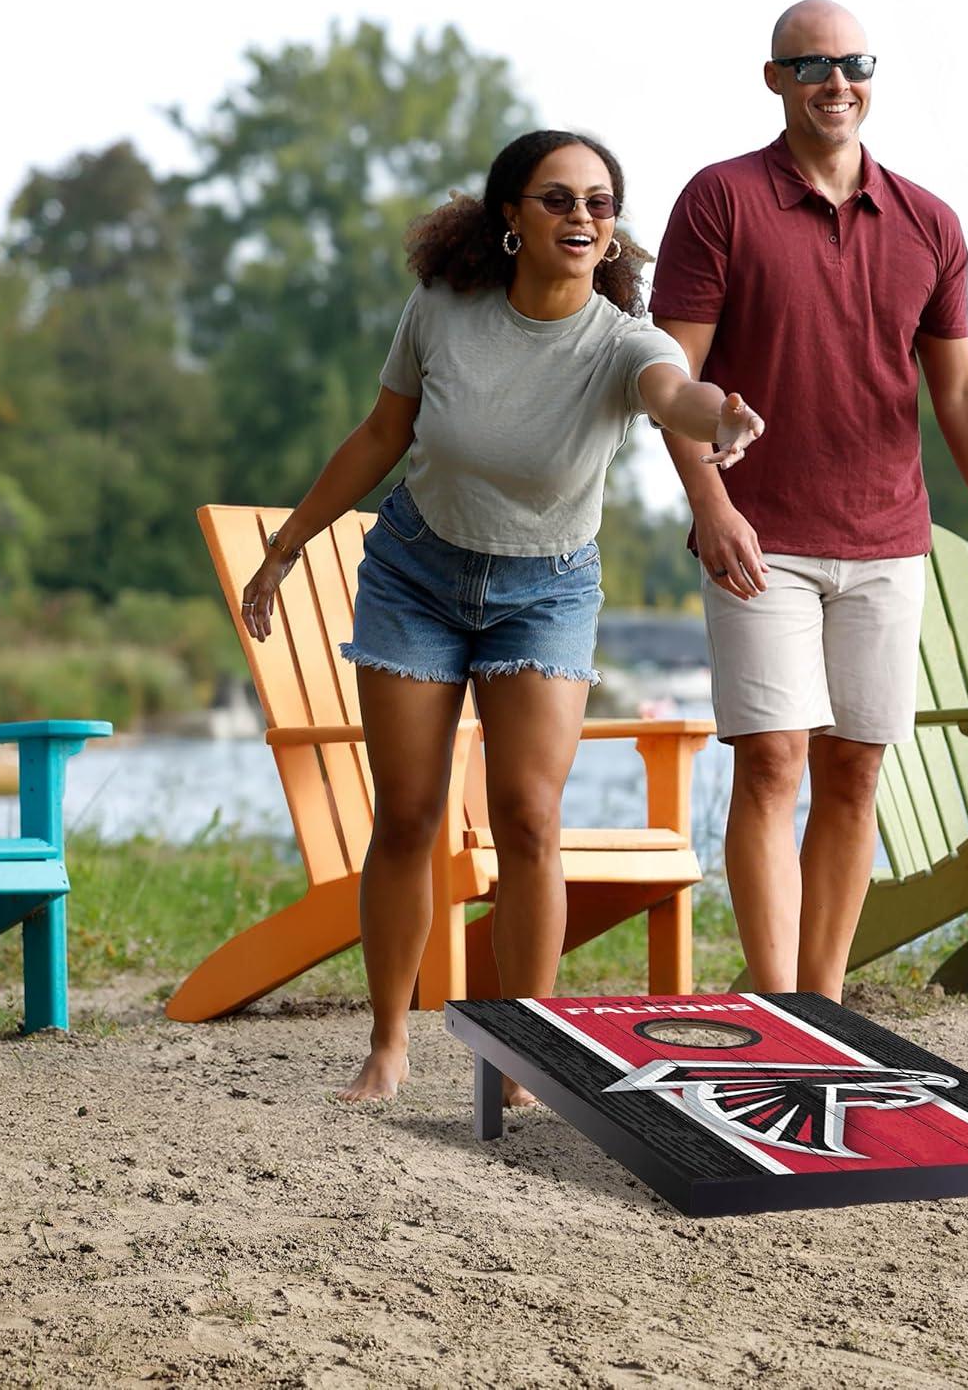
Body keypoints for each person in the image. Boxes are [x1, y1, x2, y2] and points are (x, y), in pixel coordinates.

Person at [240, 130, 764, 1103]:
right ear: (512, 219)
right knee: (408, 814)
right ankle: (389, 1044)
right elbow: (381, 434)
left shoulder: (623, 341)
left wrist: (718, 419)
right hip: (416, 577)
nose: (581, 217)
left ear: (612, 233)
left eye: (599, 204)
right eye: (558, 199)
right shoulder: (443, 310)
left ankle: (527, 1053)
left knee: (529, 818)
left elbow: (673, 396)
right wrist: (291, 543)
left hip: (547, 592)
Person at [651, 0, 968, 1001]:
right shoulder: (718, 201)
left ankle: (820, 1002)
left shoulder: (929, 223)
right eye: (812, 65)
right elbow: (666, 377)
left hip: (887, 539)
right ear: (773, 78)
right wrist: (711, 505)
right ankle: (776, 1003)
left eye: (853, 62)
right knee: (773, 761)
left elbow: (958, 389)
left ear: (873, 76)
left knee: (855, 771)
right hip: (758, 538)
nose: (836, 81)